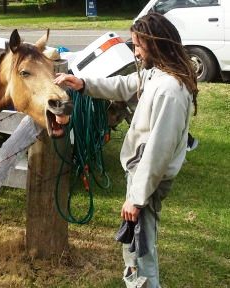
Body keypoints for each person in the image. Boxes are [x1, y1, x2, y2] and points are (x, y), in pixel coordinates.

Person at [54, 13, 198, 288]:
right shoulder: (156, 74)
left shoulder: (170, 90)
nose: (135, 51)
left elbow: (158, 151)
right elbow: (126, 85)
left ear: (156, 45)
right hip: (141, 173)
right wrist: (83, 84)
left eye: (138, 45)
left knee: (140, 250)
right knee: (134, 245)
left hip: (147, 178)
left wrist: (137, 197)